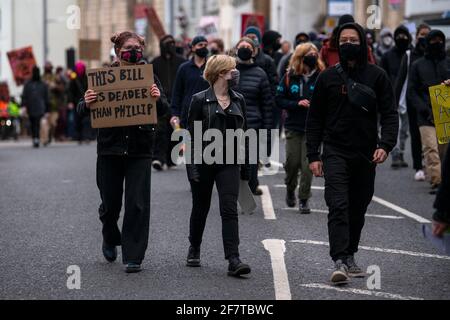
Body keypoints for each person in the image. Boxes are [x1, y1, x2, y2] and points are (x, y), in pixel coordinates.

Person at [306, 22, 398, 285]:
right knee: (338, 204)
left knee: (358, 207)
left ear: (363, 43)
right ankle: (340, 259)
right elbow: (314, 119)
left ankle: (350, 253)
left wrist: (385, 145)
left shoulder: (378, 76)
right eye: (343, 40)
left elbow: (390, 114)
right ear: (337, 43)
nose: (348, 44)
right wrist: (313, 155)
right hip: (334, 151)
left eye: (353, 40)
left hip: (366, 154)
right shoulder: (327, 78)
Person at [77, 31, 169, 273]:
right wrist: (86, 102)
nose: (134, 52)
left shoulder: (148, 77)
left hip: (140, 148)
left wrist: (157, 99)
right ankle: (109, 233)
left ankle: (133, 255)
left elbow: (164, 109)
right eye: (129, 48)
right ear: (118, 52)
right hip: (110, 149)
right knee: (110, 204)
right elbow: (81, 110)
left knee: (137, 203)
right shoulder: (103, 78)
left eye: (137, 48)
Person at [185, 54, 251, 277]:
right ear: (221, 73)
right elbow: (190, 137)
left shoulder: (239, 99)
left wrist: (248, 165)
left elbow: (245, 134)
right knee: (200, 208)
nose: (236, 73)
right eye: (232, 69)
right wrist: (191, 166)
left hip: (229, 161)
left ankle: (233, 258)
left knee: (229, 209)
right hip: (204, 161)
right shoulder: (198, 100)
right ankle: (194, 246)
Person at [276, 43, 325, 214]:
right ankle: (290, 188)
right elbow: (279, 99)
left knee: (307, 165)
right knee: (292, 163)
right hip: (293, 127)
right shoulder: (290, 76)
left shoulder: (321, 76)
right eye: (309, 54)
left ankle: (304, 199)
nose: (313, 56)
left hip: (313, 129)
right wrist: (297, 103)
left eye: (315, 53)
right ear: (301, 56)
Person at [408, 29, 450, 194]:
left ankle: (445, 181)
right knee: (430, 148)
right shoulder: (417, 65)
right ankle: (436, 181)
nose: (437, 43)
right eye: (433, 40)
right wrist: (423, 109)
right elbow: (412, 91)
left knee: (445, 151)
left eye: (440, 40)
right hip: (425, 115)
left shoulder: (448, 63)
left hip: (445, 114)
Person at [235, 37, 274, 196]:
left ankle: (250, 188)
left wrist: (267, 128)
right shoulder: (229, 72)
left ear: (254, 51)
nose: (244, 48)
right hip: (232, 123)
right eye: (241, 46)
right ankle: (235, 190)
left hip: (253, 124)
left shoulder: (260, 74)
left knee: (251, 161)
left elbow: (266, 104)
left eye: (248, 46)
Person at [395, 24, 431, 180]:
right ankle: (418, 166)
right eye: (421, 34)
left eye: (427, 35)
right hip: (413, 100)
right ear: (416, 36)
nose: (424, 37)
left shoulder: (436, 55)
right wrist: (394, 102)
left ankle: (431, 163)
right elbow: (401, 79)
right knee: (416, 134)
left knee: (433, 135)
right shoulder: (410, 55)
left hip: (433, 100)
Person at [151, 35, 187, 171]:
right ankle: (158, 158)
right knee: (160, 131)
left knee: (175, 129)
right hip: (160, 102)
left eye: (173, 43)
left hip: (177, 102)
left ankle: (171, 159)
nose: (171, 46)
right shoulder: (155, 63)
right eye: (168, 44)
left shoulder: (181, 63)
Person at [380, 25, 413, 169]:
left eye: (404, 36)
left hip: (408, 97)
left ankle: (401, 152)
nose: (401, 39)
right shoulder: (388, 56)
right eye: (398, 36)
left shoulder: (412, 54)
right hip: (391, 97)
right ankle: (394, 153)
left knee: (405, 128)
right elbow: (382, 76)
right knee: (394, 126)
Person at [171, 36, 210, 129]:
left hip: (208, 114)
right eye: (200, 45)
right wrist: (175, 114)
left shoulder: (211, 67)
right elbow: (177, 92)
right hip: (188, 115)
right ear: (193, 48)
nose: (203, 47)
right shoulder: (184, 68)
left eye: (205, 45)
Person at [22, 66, 49, 148]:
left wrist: (47, 109)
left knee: (37, 123)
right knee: (33, 123)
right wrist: (24, 106)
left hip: (39, 107)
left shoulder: (40, 84)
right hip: (33, 107)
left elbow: (46, 97)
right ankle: (35, 138)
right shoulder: (30, 84)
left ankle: (37, 138)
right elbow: (24, 96)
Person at [42, 62, 66, 146]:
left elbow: (62, 88)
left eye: (49, 67)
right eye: (46, 67)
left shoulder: (56, 77)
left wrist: (54, 86)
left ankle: (51, 135)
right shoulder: (41, 78)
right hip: (44, 105)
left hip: (54, 104)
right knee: (45, 123)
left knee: (53, 123)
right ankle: (46, 138)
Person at [69, 61, 93, 144]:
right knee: (77, 121)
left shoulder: (87, 78)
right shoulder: (74, 78)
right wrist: (70, 102)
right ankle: (79, 137)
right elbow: (70, 91)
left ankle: (87, 136)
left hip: (87, 101)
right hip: (76, 102)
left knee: (87, 121)